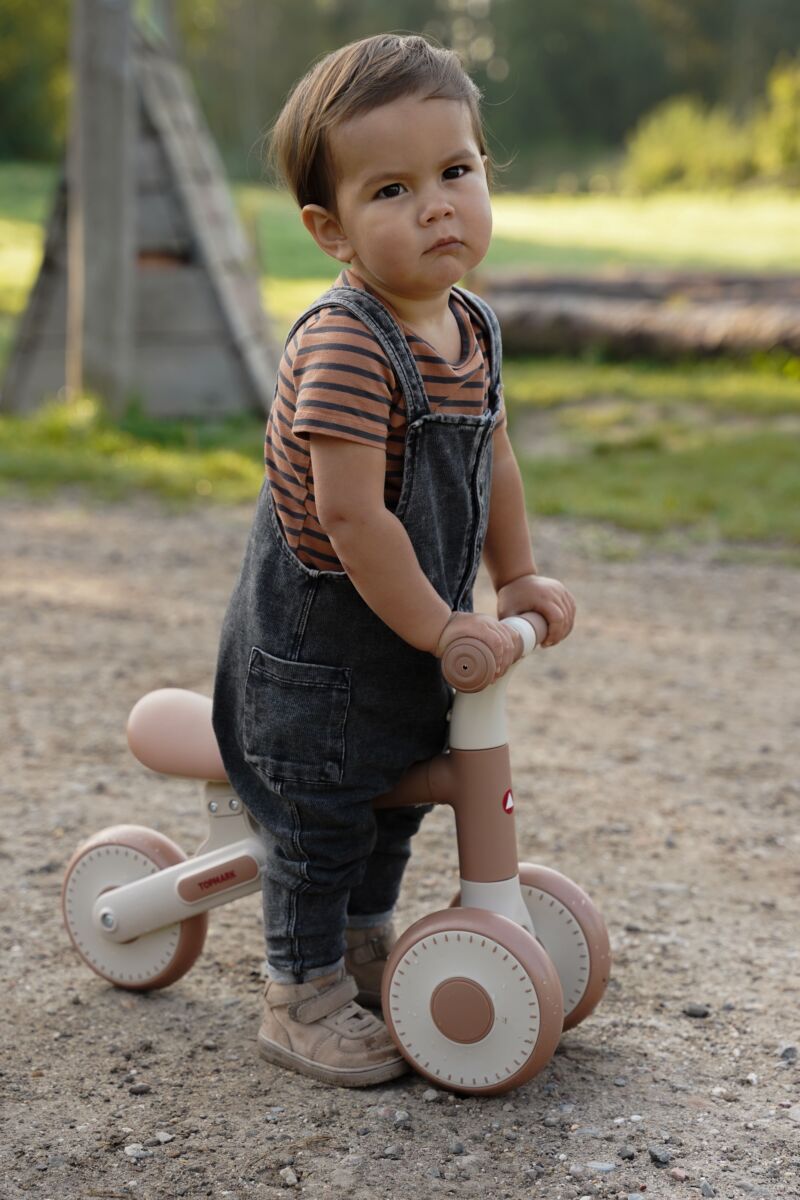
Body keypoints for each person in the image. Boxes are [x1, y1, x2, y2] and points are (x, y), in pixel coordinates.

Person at [212, 32, 576, 1087]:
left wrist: (512, 580)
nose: (436, 207)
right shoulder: (345, 342)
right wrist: (441, 624)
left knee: (401, 797)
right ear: (328, 227)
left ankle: (366, 938)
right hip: (319, 656)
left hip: (413, 637)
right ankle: (299, 989)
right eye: (392, 189)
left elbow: (494, 456)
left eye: (456, 172)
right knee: (324, 812)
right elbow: (353, 516)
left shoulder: (470, 327)